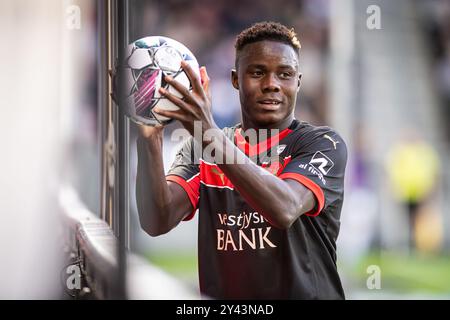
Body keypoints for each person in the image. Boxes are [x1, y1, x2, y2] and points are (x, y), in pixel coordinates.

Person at [135, 21, 347, 299]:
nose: (272, 84)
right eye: (257, 73)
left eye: (285, 74)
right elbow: (157, 220)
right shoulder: (200, 148)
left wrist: (206, 131)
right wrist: (149, 138)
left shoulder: (322, 144)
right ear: (236, 79)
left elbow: (285, 208)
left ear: (298, 81)